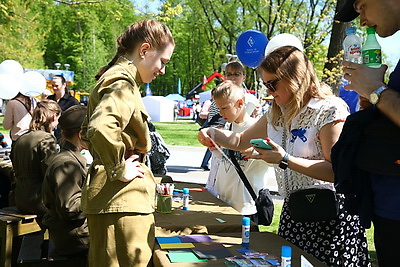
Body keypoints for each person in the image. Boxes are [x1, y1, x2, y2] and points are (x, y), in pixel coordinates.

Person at [198, 46, 369, 266]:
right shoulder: (276, 112)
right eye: (265, 84)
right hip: (295, 214)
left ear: (294, 78)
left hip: (329, 218)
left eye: (273, 84)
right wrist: (212, 132)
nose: (269, 91)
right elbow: (240, 141)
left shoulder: (329, 110)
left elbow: (337, 171)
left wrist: (285, 159)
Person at [81, 19, 174, 267]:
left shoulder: (121, 80)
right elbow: (100, 127)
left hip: (117, 200)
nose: (162, 70)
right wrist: (117, 168)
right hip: (120, 200)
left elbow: (85, 132)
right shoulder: (122, 82)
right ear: (144, 51)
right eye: (162, 62)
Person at [334, 1, 400, 266]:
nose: (361, 20)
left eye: (361, 6)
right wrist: (376, 100)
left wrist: (378, 91)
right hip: (389, 209)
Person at [209, 80, 274, 218]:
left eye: (225, 108)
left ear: (239, 103)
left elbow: (273, 161)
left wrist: (257, 152)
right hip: (223, 202)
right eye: (219, 108)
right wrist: (214, 148)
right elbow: (225, 160)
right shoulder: (227, 127)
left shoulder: (256, 129)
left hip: (246, 206)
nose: (221, 113)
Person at [42, 105, 89, 259]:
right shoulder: (67, 164)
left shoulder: (69, 158)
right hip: (75, 239)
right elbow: (70, 209)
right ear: (81, 134)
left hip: (73, 235)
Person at [11, 99, 61, 221]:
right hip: (39, 201)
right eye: (58, 119)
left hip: (20, 199)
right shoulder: (46, 139)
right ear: (54, 116)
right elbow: (51, 173)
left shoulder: (21, 138)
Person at [49, 75, 80, 142]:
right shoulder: (49, 99)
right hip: (49, 135)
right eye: (52, 85)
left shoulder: (72, 102)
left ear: (64, 85)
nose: (54, 88)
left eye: (57, 86)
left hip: (65, 137)